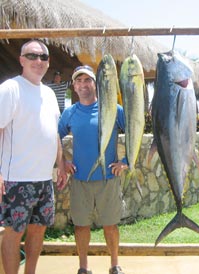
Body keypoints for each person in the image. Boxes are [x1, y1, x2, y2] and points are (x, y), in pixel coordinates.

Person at [0, 39, 67, 274]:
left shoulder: (48, 94)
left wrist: (60, 163)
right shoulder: (10, 89)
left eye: (43, 57)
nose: (38, 61)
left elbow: (54, 133)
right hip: (16, 178)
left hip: (43, 180)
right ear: (21, 60)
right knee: (13, 233)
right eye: (32, 56)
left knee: (38, 230)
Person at [58, 65, 128, 274]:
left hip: (108, 179)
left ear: (95, 84)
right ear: (74, 86)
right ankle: (83, 268)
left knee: (111, 225)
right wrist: (63, 163)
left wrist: (125, 162)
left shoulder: (114, 109)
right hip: (80, 180)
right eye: (78, 81)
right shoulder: (70, 113)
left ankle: (115, 265)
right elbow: (55, 137)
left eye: (87, 80)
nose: (83, 85)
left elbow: (134, 130)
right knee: (81, 226)